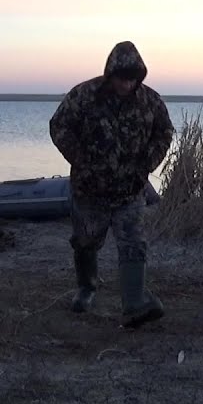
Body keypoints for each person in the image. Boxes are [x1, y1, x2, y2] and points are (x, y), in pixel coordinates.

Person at [49, 40, 174, 328]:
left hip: (130, 191)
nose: (126, 84)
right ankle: (87, 287)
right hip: (89, 189)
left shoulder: (151, 101)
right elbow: (59, 126)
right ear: (110, 74)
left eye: (132, 79)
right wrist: (81, 159)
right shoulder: (84, 95)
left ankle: (134, 304)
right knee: (85, 242)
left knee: (133, 243)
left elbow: (164, 133)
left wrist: (147, 165)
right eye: (121, 78)